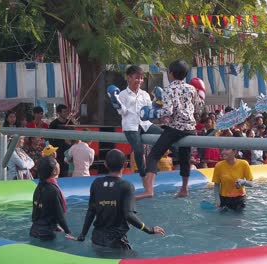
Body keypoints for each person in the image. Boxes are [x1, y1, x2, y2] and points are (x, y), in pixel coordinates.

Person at [139, 59, 205, 199]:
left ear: (171, 74)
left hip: (175, 128)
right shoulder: (191, 88)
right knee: (185, 158)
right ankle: (184, 189)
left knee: (153, 156)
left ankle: (149, 190)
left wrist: (153, 113)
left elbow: (167, 111)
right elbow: (199, 106)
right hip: (190, 128)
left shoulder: (169, 89)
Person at [76, 149, 165, 250]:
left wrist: (82, 235)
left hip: (96, 239)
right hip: (116, 242)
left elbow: (91, 211)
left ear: (105, 164)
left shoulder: (96, 183)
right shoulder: (126, 186)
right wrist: (149, 229)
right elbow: (129, 215)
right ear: (125, 164)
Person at [108, 65, 162, 190]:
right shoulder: (122, 94)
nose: (140, 81)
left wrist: (157, 104)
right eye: (137, 78)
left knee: (164, 134)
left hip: (145, 124)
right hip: (131, 125)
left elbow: (150, 112)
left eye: (142, 78)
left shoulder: (145, 94)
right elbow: (122, 112)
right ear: (129, 78)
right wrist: (116, 103)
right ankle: (143, 176)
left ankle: (152, 168)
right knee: (138, 151)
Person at [30, 156, 76, 241]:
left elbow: (36, 213)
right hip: (46, 234)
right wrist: (68, 232)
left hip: (34, 230)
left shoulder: (39, 187)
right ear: (54, 171)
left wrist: (55, 226)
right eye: (57, 163)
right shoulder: (53, 190)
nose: (59, 164)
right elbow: (60, 216)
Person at [48, 104, 72, 177]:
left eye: (66, 111)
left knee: (68, 171)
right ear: (59, 113)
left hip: (69, 151)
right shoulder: (53, 124)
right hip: (58, 151)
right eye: (64, 112)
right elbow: (50, 138)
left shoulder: (70, 122)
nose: (66, 113)